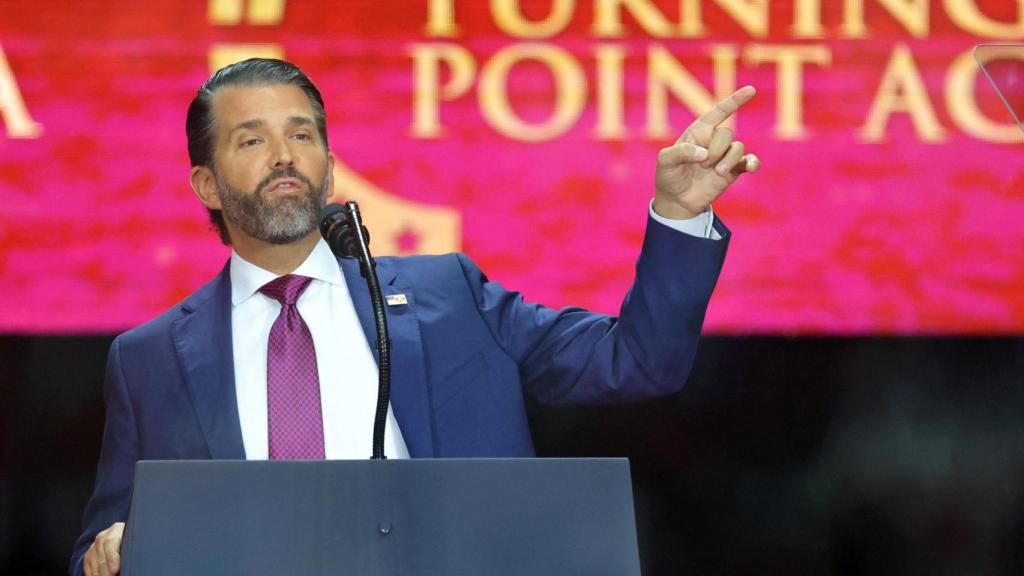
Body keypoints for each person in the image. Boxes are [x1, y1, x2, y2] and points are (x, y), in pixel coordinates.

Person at [71, 58, 759, 576]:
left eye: (302, 135)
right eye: (251, 141)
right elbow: (101, 542)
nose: (284, 155)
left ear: (330, 169)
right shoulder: (149, 358)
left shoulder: (448, 296)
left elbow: (635, 363)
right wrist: (111, 550)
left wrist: (680, 214)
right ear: (205, 184)